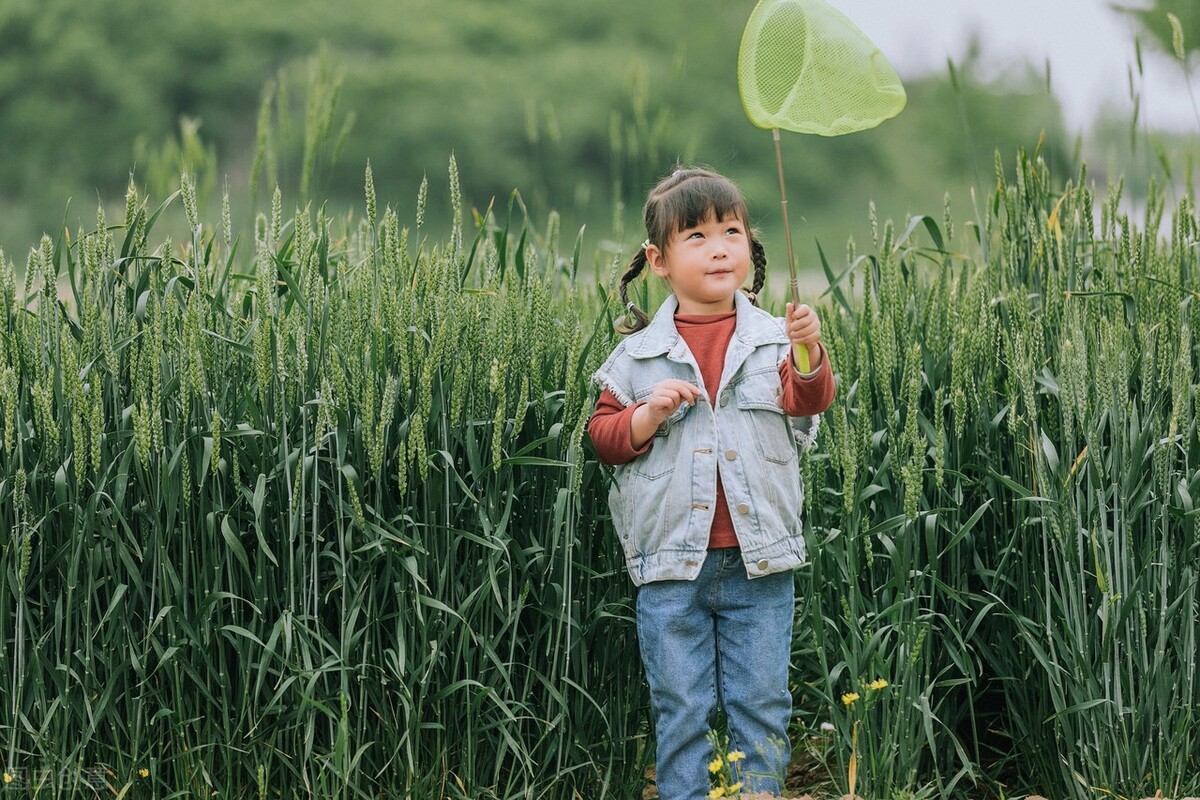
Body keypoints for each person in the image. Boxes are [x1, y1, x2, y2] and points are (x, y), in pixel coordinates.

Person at [588, 167, 836, 799]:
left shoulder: (774, 339)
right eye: (695, 235)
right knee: (682, 711)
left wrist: (808, 349)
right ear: (658, 259)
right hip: (672, 567)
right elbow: (605, 438)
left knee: (762, 706)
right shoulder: (638, 356)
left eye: (731, 230)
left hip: (761, 564)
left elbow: (806, 401)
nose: (719, 246)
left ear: (750, 245)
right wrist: (647, 415)